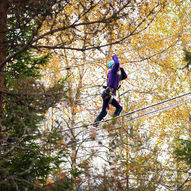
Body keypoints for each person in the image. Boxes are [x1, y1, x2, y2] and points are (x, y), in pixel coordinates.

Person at [93, 54, 127, 126]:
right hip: (108, 94)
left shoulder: (116, 75)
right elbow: (117, 63)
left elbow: (124, 76)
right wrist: (114, 56)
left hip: (107, 94)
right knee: (119, 108)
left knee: (104, 112)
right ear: (113, 66)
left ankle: (95, 123)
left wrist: (122, 69)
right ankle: (113, 121)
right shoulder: (113, 72)